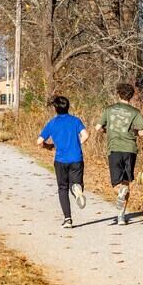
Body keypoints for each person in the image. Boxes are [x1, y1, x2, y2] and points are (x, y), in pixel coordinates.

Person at [95, 83, 143, 225]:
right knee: (126, 183)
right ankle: (121, 217)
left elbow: (98, 127)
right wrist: (133, 132)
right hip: (130, 150)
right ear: (131, 96)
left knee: (116, 184)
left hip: (114, 149)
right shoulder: (135, 112)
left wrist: (108, 131)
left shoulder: (109, 109)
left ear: (118, 94)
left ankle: (120, 194)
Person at [37, 96, 90, 229]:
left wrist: (48, 146)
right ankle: (77, 190)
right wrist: (77, 144)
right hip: (76, 158)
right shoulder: (76, 121)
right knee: (76, 184)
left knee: (62, 189)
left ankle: (68, 219)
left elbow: (39, 141)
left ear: (55, 108)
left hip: (60, 159)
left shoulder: (52, 123)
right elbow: (86, 135)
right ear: (68, 107)